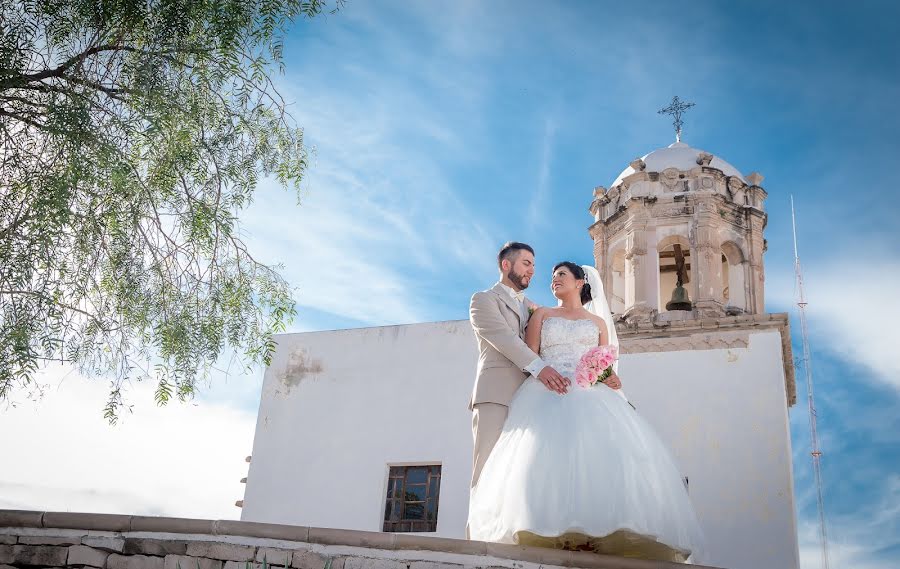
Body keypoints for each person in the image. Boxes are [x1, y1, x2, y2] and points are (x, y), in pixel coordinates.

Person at [467, 261, 705, 563]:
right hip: (547, 389)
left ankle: (598, 530)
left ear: (580, 282)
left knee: (602, 456)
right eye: (553, 277)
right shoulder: (541, 314)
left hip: (591, 393)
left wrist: (608, 376)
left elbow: (602, 364)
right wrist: (550, 374)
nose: (555, 280)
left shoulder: (598, 323)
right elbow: (531, 355)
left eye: (561, 275)